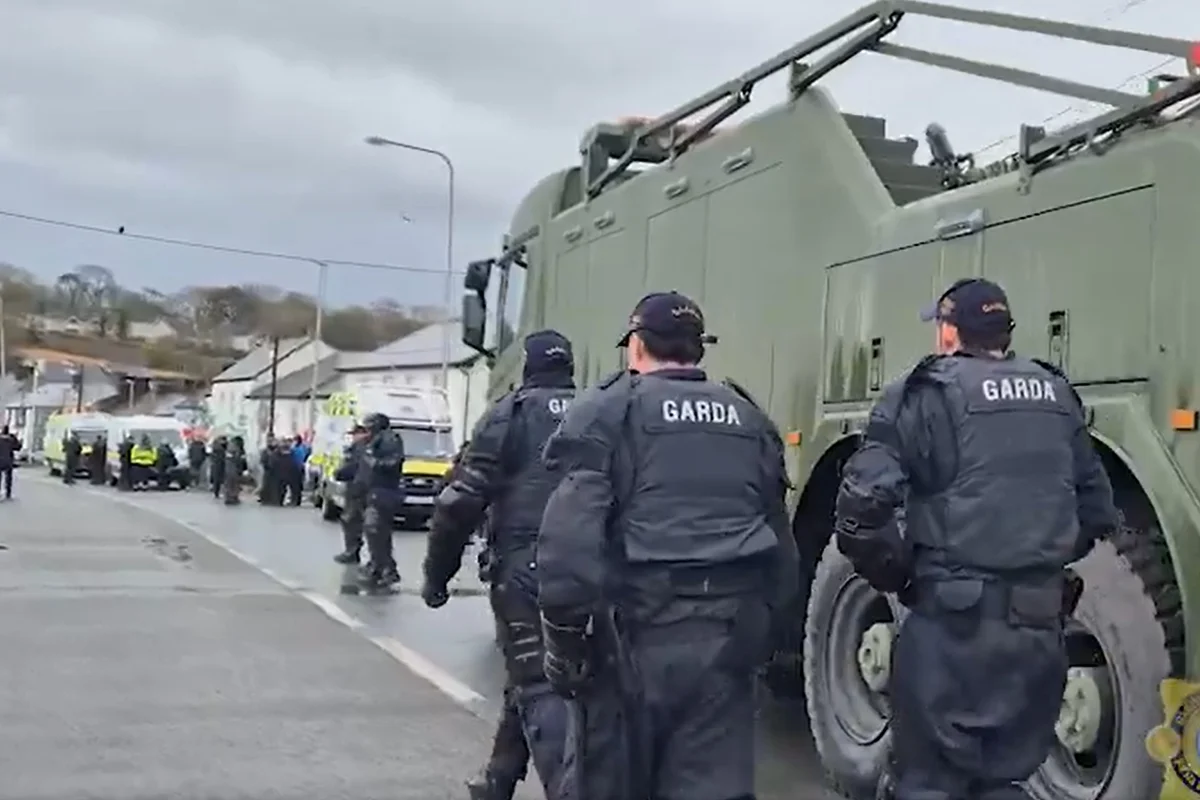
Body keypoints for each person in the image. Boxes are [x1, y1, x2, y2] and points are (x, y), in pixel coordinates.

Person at [834, 278, 1119, 800]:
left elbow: (859, 516)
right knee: (1005, 781)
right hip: (1036, 635)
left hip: (951, 634)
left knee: (930, 781)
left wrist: (903, 579)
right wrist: (1033, 563)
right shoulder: (1054, 393)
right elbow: (1097, 512)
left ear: (948, 333)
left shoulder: (924, 394)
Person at [535, 293, 799, 800]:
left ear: (636, 347)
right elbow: (779, 547)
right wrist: (764, 636)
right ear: (698, 351)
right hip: (725, 644)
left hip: (631, 644)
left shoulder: (610, 411)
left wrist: (564, 648)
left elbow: (568, 548)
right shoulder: (748, 418)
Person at [423, 330, 578, 800]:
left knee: (540, 685)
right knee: (529, 673)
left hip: (529, 570)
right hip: (597, 569)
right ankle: (499, 779)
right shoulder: (601, 410)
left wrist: (437, 576)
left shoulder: (510, 415)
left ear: (527, 367)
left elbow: (458, 505)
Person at [356, 412, 404, 590]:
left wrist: (374, 462)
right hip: (375, 490)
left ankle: (387, 569)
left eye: (369, 426)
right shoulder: (375, 440)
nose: (366, 430)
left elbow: (394, 462)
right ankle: (378, 567)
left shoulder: (389, 439)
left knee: (376, 530)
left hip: (384, 491)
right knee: (374, 531)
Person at [332, 424, 371, 565]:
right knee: (354, 520)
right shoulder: (365, 446)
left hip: (357, 488)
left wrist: (339, 473)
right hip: (360, 488)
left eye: (355, 434)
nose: (353, 437)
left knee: (351, 520)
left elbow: (353, 466)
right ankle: (352, 550)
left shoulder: (359, 448)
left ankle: (352, 552)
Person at [223, 436, 248, 506]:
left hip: (233, 468)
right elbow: (237, 458)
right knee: (232, 483)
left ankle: (232, 497)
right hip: (233, 467)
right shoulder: (234, 448)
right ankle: (231, 497)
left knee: (232, 483)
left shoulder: (232, 447)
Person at [0, 425, 22, 500]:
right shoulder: (11, 439)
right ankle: (8, 493)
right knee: (8, 477)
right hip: (8, 461)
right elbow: (18, 447)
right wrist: (18, 440)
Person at [288, 434, 310, 506]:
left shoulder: (295, 449)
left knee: (294, 486)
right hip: (300, 468)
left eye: (294, 440)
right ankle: (296, 500)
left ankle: (294, 500)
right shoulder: (303, 448)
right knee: (298, 486)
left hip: (296, 468)